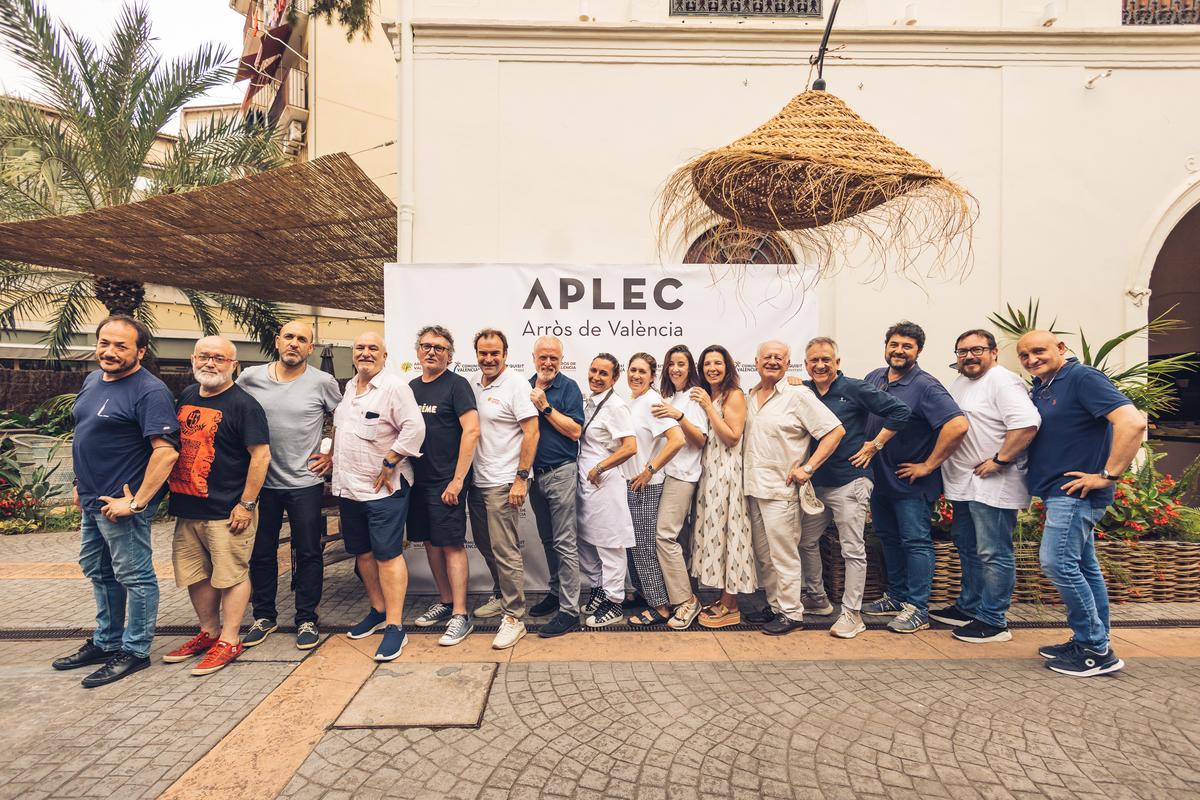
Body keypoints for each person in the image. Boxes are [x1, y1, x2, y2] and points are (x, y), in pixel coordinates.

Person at [52, 315, 179, 689]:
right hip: (92, 500)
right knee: (98, 570)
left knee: (135, 577)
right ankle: (107, 641)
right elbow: (86, 434)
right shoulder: (92, 380)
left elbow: (166, 454)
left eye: (121, 346)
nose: (109, 351)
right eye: (105, 343)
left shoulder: (149, 391)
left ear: (141, 351)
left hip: (120, 505)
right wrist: (80, 482)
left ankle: (135, 650)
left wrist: (137, 503)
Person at [1019, 330, 1145, 677]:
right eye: (1025, 355)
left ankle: (1095, 650)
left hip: (1075, 494)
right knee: (1085, 568)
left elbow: (1133, 422)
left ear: (1061, 348)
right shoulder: (1046, 386)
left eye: (1039, 351)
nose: (1031, 360)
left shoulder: (1082, 378)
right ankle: (1092, 639)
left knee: (1057, 562)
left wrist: (1108, 474)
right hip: (1060, 493)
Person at [163, 336, 271, 676]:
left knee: (231, 575)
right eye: (205, 357)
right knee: (197, 576)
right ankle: (208, 632)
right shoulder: (188, 396)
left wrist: (246, 504)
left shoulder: (245, 405)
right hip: (188, 507)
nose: (211, 363)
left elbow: (261, 456)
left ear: (233, 365)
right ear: (193, 359)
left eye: (220, 359)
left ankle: (230, 638)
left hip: (227, 511)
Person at [238, 321, 342, 651]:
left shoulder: (323, 382)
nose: (294, 344)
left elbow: (346, 417)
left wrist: (332, 455)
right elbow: (234, 416)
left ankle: (307, 618)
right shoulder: (250, 378)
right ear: (277, 341)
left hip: (305, 483)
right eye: (289, 337)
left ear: (310, 348)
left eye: (302, 340)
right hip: (262, 484)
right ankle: (264, 615)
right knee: (262, 552)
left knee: (309, 551)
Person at [800, 336, 911, 639]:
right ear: (806, 364)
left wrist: (875, 445)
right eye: (814, 360)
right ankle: (817, 599)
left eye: (826, 360)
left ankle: (852, 614)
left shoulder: (854, 388)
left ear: (837, 362)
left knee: (852, 550)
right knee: (806, 541)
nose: (820, 365)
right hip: (816, 485)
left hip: (851, 481)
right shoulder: (805, 391)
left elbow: (900, 412)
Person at [934, 330, 1040, 643]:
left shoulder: (1002, 381)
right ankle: (969, 606)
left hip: (993, 484)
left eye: (976, 349)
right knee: (968, 548)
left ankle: (994, 620)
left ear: (993, 352)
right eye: (962, 351)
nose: (968, 356)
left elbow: (1026, 424)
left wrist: (1001, 460)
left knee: (994, 552)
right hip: (965, 485)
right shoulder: (963, 382)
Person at [862, 321, 968, 634]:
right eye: (894, 344)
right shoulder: (875, 378)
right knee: (889, 540)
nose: (899, 351)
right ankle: (895, 597)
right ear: (885, 347)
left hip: (911, 484)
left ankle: (918, 608)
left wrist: (929, 465)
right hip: (880, 481)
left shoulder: (925, 385)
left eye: (907, 346)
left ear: (917, 351)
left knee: (916, 543)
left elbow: (957, 425)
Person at [334, 332, 426, 662]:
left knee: (387, 555)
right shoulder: (349, 387)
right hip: (348, 487)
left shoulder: (394, 387)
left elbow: (415, 428)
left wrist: (391, 459)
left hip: (383, 491)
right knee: (361, 552)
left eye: (373, 348)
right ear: (353, 353)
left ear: (385, 356)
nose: (366, 353)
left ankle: (394, 626)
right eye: (360, 347)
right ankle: (376, 610)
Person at [743, 340, 845, 635]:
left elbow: (834, 431)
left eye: (779, 357)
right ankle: (776, 607)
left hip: (782, 491)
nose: (773, 361)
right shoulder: (751, 396)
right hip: (753, 488)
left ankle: (792, 613)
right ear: (756, 361)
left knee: (784, 555)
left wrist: (808, 467)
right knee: (765, 556)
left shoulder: (798, 395)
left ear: (788, 364)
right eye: (767, 357)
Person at [408, 325, 479, 648]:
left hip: (446, 482)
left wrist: (458, 480)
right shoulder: (410, 387)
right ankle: (446, 600)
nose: (432, 351)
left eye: (439, 347)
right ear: (418, 352)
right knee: (431, 544)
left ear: (450, 355)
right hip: (415, 482)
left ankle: (461, 614)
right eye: (426, 346)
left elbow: (472, 431)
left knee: (451, 545)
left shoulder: (457, 385)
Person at [468, 328, 540, 650]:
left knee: (505, 549)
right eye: (483, 353)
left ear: (505, 354)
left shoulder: (516, 384)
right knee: (485, 545)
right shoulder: (474, 386)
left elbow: (532, 432)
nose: (488, 358)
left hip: (503, 481)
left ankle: (514, 617)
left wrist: (521, 478)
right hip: (477, 480)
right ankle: (500, 595)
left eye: (494, 353)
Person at [690, 345, 757, 629]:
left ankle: (731, 605)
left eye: (718, 363)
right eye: (707, 364)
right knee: (716, 536)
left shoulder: (733, 395)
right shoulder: (714, 394)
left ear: (728, 367)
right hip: (711, 475)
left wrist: (707, 406)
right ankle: (722, 598)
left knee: (732, 537)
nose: (712, 368)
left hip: (728, 476)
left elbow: (731, 436)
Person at [527, 336, 586, 638]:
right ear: (534, 357)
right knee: (548, 540)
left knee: (564, 542)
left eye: (554, 357)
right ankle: (555, 591)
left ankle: (569, 610)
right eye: (543, 357)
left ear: (561, 360)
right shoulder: (524, 386)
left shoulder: (569, 388)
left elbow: (575, 431)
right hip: (533, 476)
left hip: (562, 472)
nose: (548, 363)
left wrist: (546, 407)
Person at [623, 353, 686, 627]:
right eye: (632, 370)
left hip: (645, 487)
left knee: (645, 548)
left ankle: (660, 607)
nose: (636, 375)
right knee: (633, 546)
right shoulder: (634, 402)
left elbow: (677, 439)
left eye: (642, 372)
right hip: (628, 484)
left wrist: (649, 470)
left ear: (651, 376)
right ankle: (643, 594)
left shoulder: (652, 402)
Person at [576, 354, 638, 628]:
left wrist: (600, 467)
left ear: (614, 379)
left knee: (610, 544)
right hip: (586, 486)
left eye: (604, 374)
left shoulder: (615, 406)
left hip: (605, 483)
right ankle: (599, 589)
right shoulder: (589, 402)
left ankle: (614, 602)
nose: (596, 377)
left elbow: (629, 447)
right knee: (588, 541)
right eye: (593, 371)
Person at [652, 344, 709, 630]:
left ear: (690, 369)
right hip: (665, 475)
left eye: (681, 364)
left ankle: (686, 600)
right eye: (671, 363)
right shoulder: (668, 396)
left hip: (683, 475)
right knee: (677, 538)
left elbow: (700, 441)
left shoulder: (694, 398)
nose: (675, 368)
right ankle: (679, 594)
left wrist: (678, 416)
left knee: (664, 536)